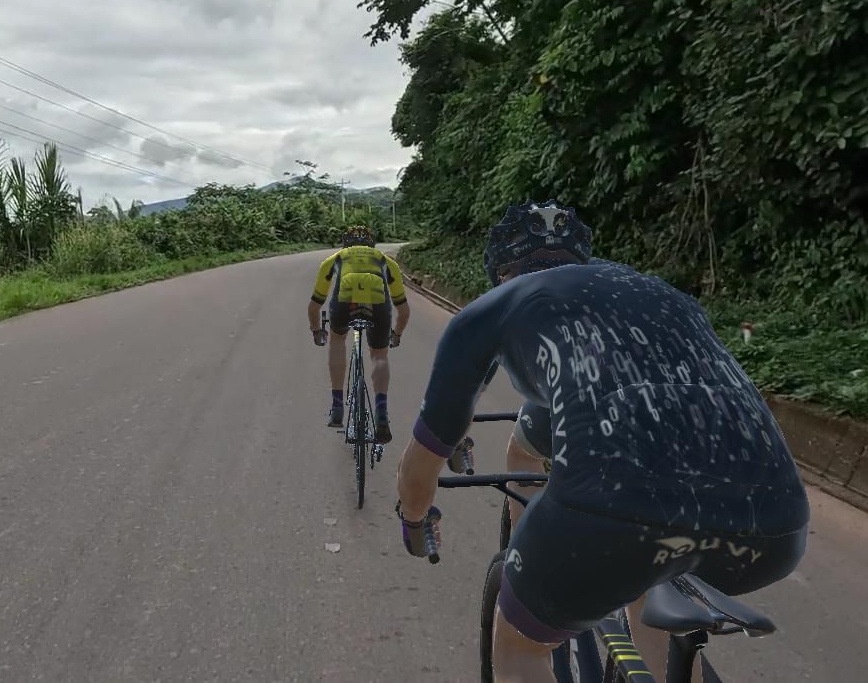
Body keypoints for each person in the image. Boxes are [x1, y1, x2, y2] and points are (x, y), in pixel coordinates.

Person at [394, 200, 809, 683]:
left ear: (500, 274)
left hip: (610, 520)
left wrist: (414, 522)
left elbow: (422, 465)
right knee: (644, 578)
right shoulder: (655, 292)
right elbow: (594, 402)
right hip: (778, 523)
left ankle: (546, 588)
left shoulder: (495, 307)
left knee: (519, 643)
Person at [308, 224, 411, 443]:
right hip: (378, 305)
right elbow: (403, 310)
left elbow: (314, 307)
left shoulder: (334, 259)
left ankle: (337, 406)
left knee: (337, 341)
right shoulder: (386, 261)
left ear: (345, 244)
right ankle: (381, 411)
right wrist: (397, 335)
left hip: (344, 303)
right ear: (372, 244)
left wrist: (317, 331)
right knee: (379, 356)